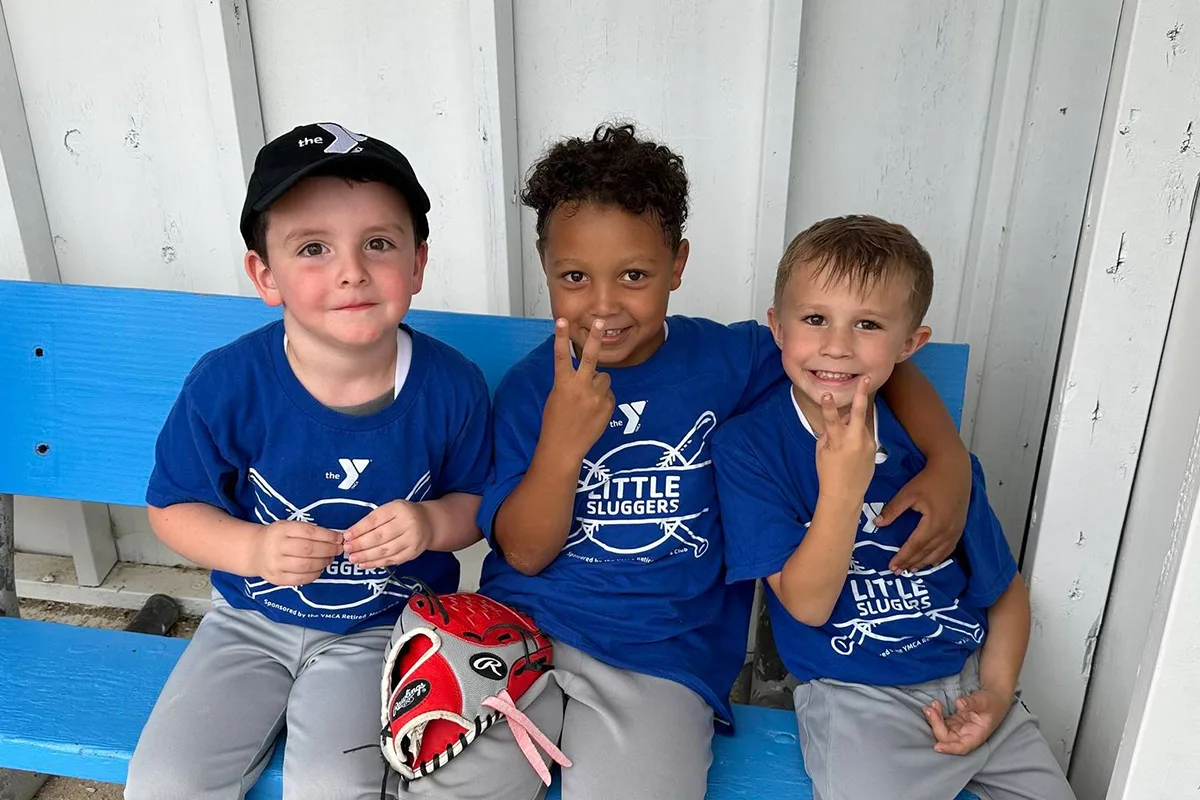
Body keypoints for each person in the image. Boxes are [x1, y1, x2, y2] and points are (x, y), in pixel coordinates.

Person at [470, 125, 975, 800]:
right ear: (545, 268)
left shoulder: (730, 361)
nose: (604, 304)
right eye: (573, 277)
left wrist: (949, 462)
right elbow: (526, 555)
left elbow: (862, 362)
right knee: (457, 781)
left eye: (635, 275)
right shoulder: (534, 388)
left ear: (677, 264)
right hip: (518, 636)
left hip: (661, 658)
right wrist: (562, 446)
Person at [124, 122, 491, 800]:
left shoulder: (451, 387)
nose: (351, 269)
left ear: (416, 263)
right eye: (313, 248)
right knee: (164, 783)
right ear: (266, 275)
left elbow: (475, 505)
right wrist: (254, 546)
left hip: (380, 628)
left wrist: (431, 525)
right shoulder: (227, 384)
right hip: (245, 623)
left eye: (379, 243)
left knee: (332, 784)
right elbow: (173, 509)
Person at [713, 214, 1075, 800]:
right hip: (856, 698)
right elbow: (805, 605)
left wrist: (997, 692)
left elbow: (1004, 592)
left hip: (968, 683)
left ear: (910, 344)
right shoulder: (751, 447)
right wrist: (842, 487)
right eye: (814, 319)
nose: (836, 345)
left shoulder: (938, 463)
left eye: (868, 324)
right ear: (777, 328)